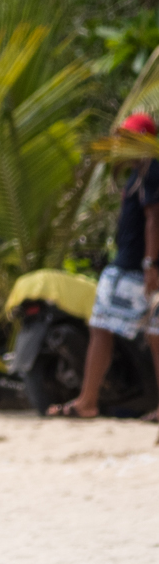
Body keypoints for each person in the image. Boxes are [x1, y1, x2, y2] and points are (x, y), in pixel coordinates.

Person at [49, 111, 159, 419]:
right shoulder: (140, 172)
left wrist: (150, 264)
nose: (121, 143)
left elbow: (153, 219)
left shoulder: (150, 170)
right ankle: (88, 400)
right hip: (136, 266)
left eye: (129, 137)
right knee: (153, 335)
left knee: (101, 328)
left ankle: (87, 401)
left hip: (133, 268)